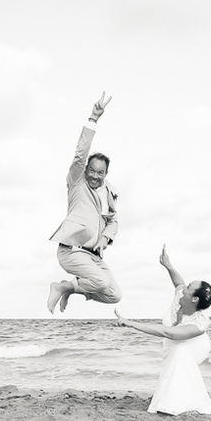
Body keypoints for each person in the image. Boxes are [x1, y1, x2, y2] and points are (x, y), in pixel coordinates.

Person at [115, 245, 211, 416]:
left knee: (180, 355)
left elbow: (169, 333)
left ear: (194, 298)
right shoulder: (181, 295)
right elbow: (179, 282)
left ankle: (173, 404)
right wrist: (168, 265)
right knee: (173, 359)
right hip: (172, 340)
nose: (184, 287)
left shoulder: (200, 324)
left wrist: (131, 324)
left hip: (195, 345)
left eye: (189, 287)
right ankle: (171, 395)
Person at [47, 92, 122, 314]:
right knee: (99, 282)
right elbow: (80, 155)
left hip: (93, 255)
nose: (95, 176)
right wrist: (93, 118)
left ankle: (70, 289)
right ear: (86, 170)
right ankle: (63, 286)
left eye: (100, 173)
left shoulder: (109, 192)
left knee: (114, 295)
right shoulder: (77, 182)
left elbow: (114, 222)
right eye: (92, 171)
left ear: (106, 173)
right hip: (71, 251)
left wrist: (105, 238)